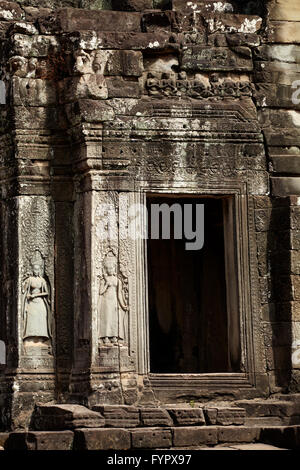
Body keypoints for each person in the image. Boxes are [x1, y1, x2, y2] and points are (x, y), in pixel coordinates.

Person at [98, 252, 128, 346]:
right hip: (105, 301)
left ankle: (114, 336)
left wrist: (123, 305)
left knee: (114, 319)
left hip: (114, 301)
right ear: (106, 269)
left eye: (111, 268)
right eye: (108, 268)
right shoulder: (104, 280)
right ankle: (105, 337)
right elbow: (100, 292)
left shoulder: (117, 280)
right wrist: (106, 284)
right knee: (106, 318)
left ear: (114, 268)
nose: (110, 270)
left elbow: (119, 294)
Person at [22, 253, 51, 346]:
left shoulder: (42, 280)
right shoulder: (30, 279)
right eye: (34, 269)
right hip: (31, 303)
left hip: (40, 302)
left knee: (41, 318)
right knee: (31, 318)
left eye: (37, 269)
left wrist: (36, 295)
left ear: (40, 270)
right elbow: (24, 290)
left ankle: (41, 339)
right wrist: (24, 282)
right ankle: (30, 339)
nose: (36, 271)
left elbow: (46, 293)